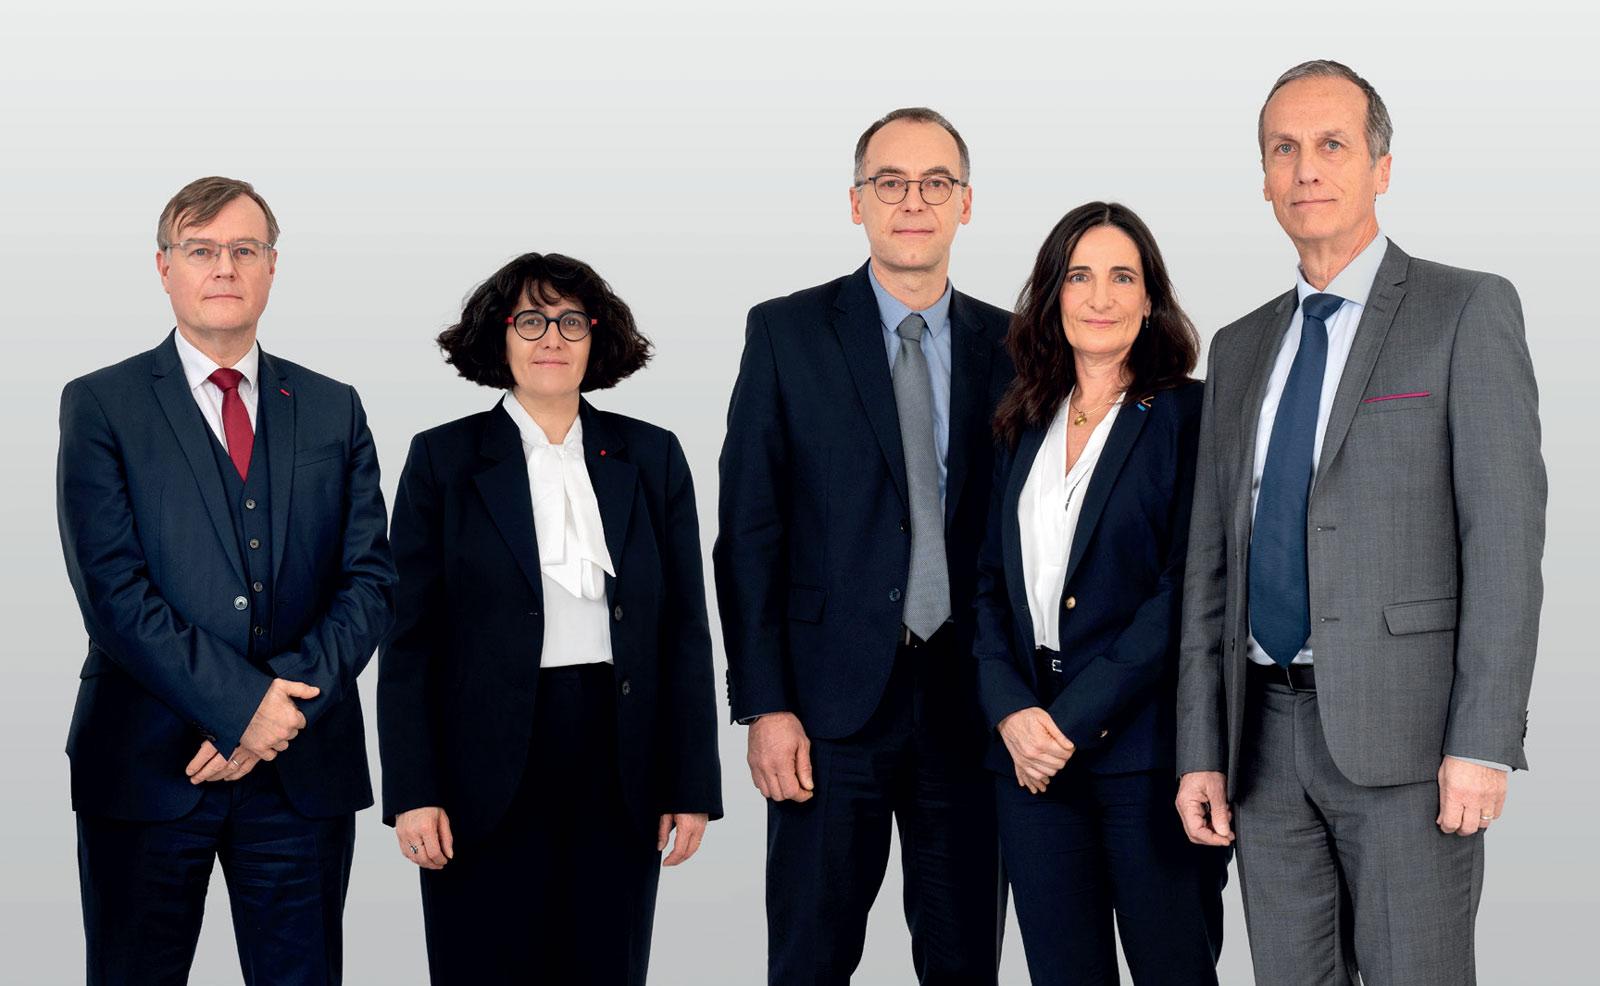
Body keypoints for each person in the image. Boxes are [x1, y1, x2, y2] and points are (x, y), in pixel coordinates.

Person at [1175, 60, 1546, 985]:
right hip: (1259, 742)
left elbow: (1504, 542)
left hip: (1409, 743)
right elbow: (1210, 566)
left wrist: (1483, 741)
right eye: (1284, 149)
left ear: (1381, 167)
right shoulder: (1239, 346)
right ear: (1264, 178)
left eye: (1332, 144)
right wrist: (1200, 750)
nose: (1306, 168)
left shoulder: (1465, 310)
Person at [56, 176, 396, 985]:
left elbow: (370, 582)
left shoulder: (334, 407)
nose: (224, 267)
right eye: (201, 249)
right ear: (164, 267)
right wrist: (244, 708)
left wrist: (281, 709)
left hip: (301, 770)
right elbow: (112, 593)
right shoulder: (101, 404)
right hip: (144, 766)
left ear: (272, 266)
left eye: (244, 249)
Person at [714, 107, 1013, 984]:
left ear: (966, 204)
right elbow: (749, 531)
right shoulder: (787, 333)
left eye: (935, 183)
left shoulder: (1016, 345)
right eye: (890, 182)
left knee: (965, 963)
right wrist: (764, 705)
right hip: (823, 709)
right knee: (810, 960)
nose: (912, 201)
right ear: (856, 203)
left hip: (969, 703)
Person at [377, 251, 722, 985]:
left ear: (598, 336)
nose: (552, 338)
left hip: (619, 759)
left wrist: (691, 785)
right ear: (499, 336)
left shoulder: (652, 456)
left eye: (571, 321)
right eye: (530, 320)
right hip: (479, 769)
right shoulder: (443, 459)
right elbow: (409, 641)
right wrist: (413, 792)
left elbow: (685, 631)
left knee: (606, 965)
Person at [975, 201, 1228, 985]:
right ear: (1053, 293)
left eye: (1122, 277)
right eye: (1079, 276)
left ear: (1150, 298)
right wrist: (1012, 712)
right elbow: (988, 584)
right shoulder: (1023, 416)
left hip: (1145, 758)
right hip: (1031, 762)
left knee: (1173, 969)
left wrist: (1068, 722)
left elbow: (1186, 587)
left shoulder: (1188, 414)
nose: (1100, 296)